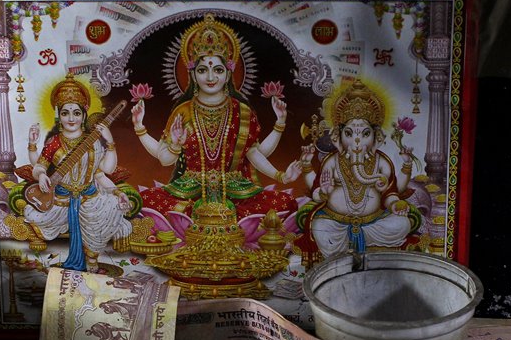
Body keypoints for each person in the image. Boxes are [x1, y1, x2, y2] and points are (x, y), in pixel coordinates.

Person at [131, 14, 301, 220]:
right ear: (193, 75)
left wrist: (281, 174)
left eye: (218, 70)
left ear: (228, 74)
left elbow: (253, 154)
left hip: (234, 189)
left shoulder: (242, 111)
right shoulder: (183, 111)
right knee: (144, 201)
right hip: (189, 189)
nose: (211, 78)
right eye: (203, 70)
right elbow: (165, 160)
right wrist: (174, 144)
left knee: (285, 203)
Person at [23, 73, 132, 273]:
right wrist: (41, 175)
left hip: (89, 198)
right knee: (31, 214)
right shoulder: (54, 142)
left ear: (84, 115)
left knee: (111, 208)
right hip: (61, 200)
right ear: (59, 115)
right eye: (65, 113)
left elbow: (104, 172)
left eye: (76, 113)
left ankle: (91, 262)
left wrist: (110, 143)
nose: (71, 118)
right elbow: (39, 165)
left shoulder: (93, 142)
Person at [299, 79, 415, 262]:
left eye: (365, 134)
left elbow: (390, 193)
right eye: (350, 134)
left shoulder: (381, 162)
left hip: (374, 224)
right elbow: (316, 192)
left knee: (401, 224)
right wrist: (324, 192)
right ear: (338, 137)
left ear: (376, 137)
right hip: (336, 224)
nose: (357, 141)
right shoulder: (332, 160)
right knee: (320, 227)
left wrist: (395, 205)